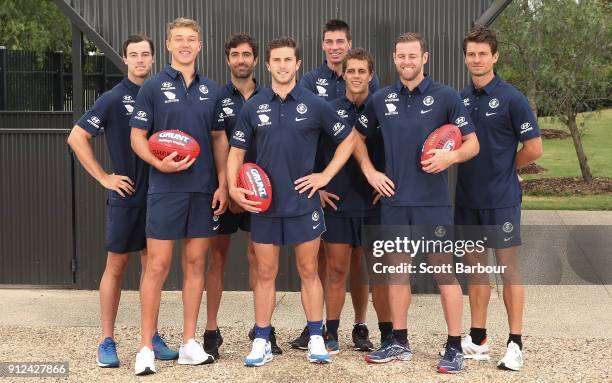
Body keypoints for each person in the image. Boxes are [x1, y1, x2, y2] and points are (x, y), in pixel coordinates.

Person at [354, 32, 479, 374]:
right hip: (395, 202)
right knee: (397, 273)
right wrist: (370, 172)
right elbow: (356, 138)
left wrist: (449, 159)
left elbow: (472, 144)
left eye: (412, 56)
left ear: (425, 58)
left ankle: (454, 346)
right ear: (394, 59)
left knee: (444, 274)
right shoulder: (381, 99)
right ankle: (398, 340)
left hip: (433, 204)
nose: (406, 62)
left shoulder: (446, 97)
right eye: (400, 57)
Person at [227, 37, 356, 366]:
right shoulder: (254, 106)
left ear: (297, 64)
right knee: (265, 272)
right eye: (277, 60)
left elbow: (349, 139)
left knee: (309, 270)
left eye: (289, 60)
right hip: (264, 204)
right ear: (267, 65)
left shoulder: (315, 104)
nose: (283, 65)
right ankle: (262, 340)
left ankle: (316, 337)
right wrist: (233, 187)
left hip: (303, 203)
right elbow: (236, 152)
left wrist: (324, 175)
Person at [67, 34, 178, 368]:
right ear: (126, 60)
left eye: (146, 54)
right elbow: (77, 136)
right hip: (127, 196)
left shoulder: (162, 95)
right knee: (116, 266)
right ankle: (107, 340)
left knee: (152, 267)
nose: (140, 60)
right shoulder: (113, 99)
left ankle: (151, 337)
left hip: (159, 195)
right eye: (134, 55)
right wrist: (104, 177)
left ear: (154, 58)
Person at [129, 18, 228, 375]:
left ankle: (188, 343)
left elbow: (219, 139)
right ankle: (145, 347)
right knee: (156, 265)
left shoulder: (212, 90)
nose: (185, 44)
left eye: (191, 39)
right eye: (178, 39)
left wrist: (222, 183)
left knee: (196, 265)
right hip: (166, 188)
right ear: (168, 45)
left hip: (203, 190)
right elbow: (138, 137)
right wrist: (159, 163)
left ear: (200, 46)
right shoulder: (152, 88)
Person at [452, 26, 542, 371]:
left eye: (482, 54)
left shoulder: (512, 99)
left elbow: (534, 148)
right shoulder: (458, 99)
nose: (476, 59)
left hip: (502, 200)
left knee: (508, 271)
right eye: (471, 54)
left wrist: (507, 168)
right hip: (467, 199)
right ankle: (477, 340)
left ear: (495, 56)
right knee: (476, 270)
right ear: (465, 58)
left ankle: (515, 344)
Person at [292, 18, 379, 352]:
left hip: (368, 194)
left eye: (340, 41)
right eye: (329, 41)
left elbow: (380, 141)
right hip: (334, 193)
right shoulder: (313, 84)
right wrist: (320, 181)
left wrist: (378, 175)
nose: (335, 47)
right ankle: (325, 328)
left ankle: (360, 326)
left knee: (360, 266)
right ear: (323, 45)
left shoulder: (375, 95)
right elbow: (309, 136)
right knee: (330, 264)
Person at [205, 32, 282, 358]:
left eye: (246, 54)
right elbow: (216, 144)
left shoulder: (269, 96)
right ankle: (211, 330)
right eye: (235, 54)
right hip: (223, 191)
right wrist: (227, 187)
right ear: (228, 59)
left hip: (260, 192)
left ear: (255, 60)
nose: (241, 60)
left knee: (258, 259)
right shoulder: (216, 97)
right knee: (216, 258)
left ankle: (261, 328)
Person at [316, 47, 390, 354]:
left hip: (374, 204)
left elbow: (398, 148)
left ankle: (364, 328)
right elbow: (312, 152)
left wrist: (389, 183)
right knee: (336, 269)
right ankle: (330, 330)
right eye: (351, 71)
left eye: (362, 71)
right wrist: (318, 188)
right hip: (338, 201)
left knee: (369, 271)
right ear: (342, 74)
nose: (356, 76)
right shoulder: (329, 109)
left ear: (371, 75)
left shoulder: (384, 108)